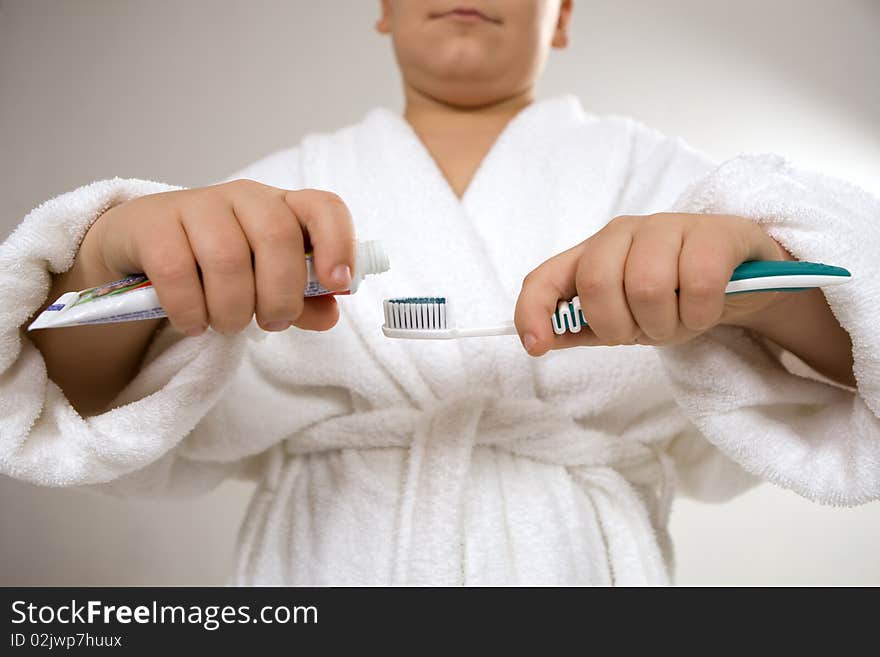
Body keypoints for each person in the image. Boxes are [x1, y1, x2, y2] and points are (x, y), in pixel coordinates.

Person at [0, 0, 877, 585]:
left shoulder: (673, 185)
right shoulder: (272, 194)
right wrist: (109, 252)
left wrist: (760, 286)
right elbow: (72, 404)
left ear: (563, 13)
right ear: (381, 8)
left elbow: (857, 356)